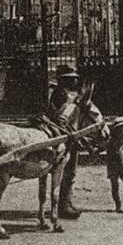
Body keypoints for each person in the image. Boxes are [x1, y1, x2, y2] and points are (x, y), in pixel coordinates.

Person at [46, 64, 108, 219]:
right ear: (64, 80)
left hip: (70, 134)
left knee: (70, 172)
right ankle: (64, 206)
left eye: (74, 79)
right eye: (71, 79)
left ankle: (66, 202)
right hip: (63, 135)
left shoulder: (65, 93)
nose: (74, 81)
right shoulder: (60, 94)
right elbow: (61, 119)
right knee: (67, 172)